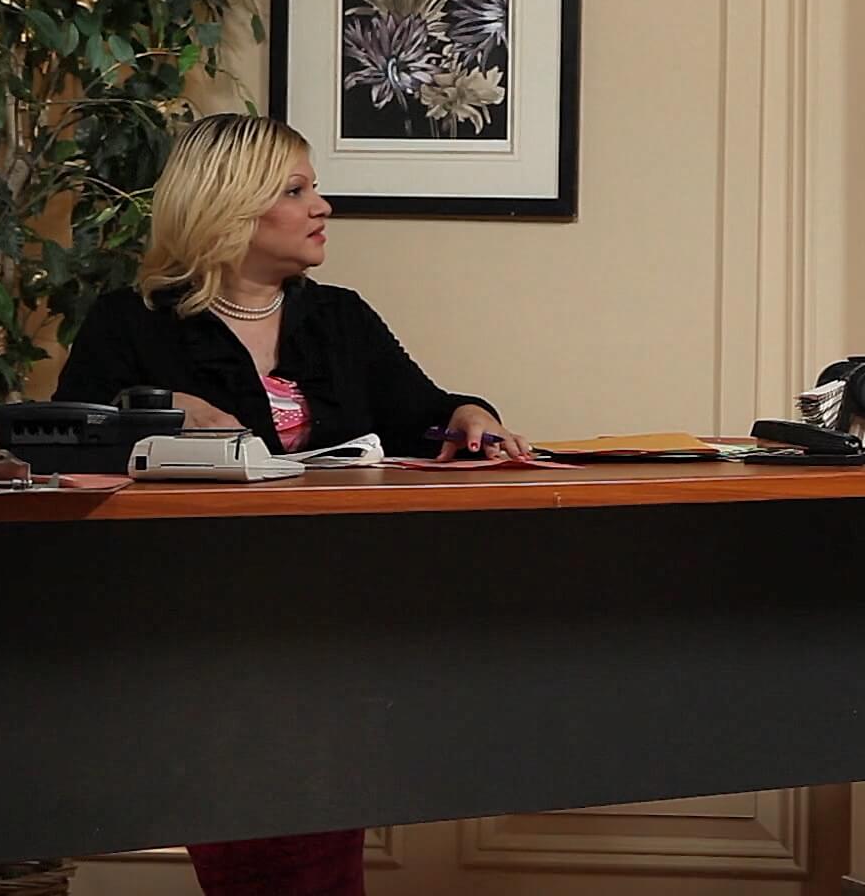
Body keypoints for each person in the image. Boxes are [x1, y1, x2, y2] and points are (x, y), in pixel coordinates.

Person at [54, 112, 530, 896]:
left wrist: (471, 415)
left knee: (314, 849)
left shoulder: (339, 315)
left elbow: (425, 411)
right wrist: (158, 410)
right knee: (266, 846)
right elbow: (66, 449)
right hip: (205, 634)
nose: (322, 206)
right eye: (297, 190)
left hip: (335, 620)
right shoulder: (130, 323)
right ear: (230, 203)